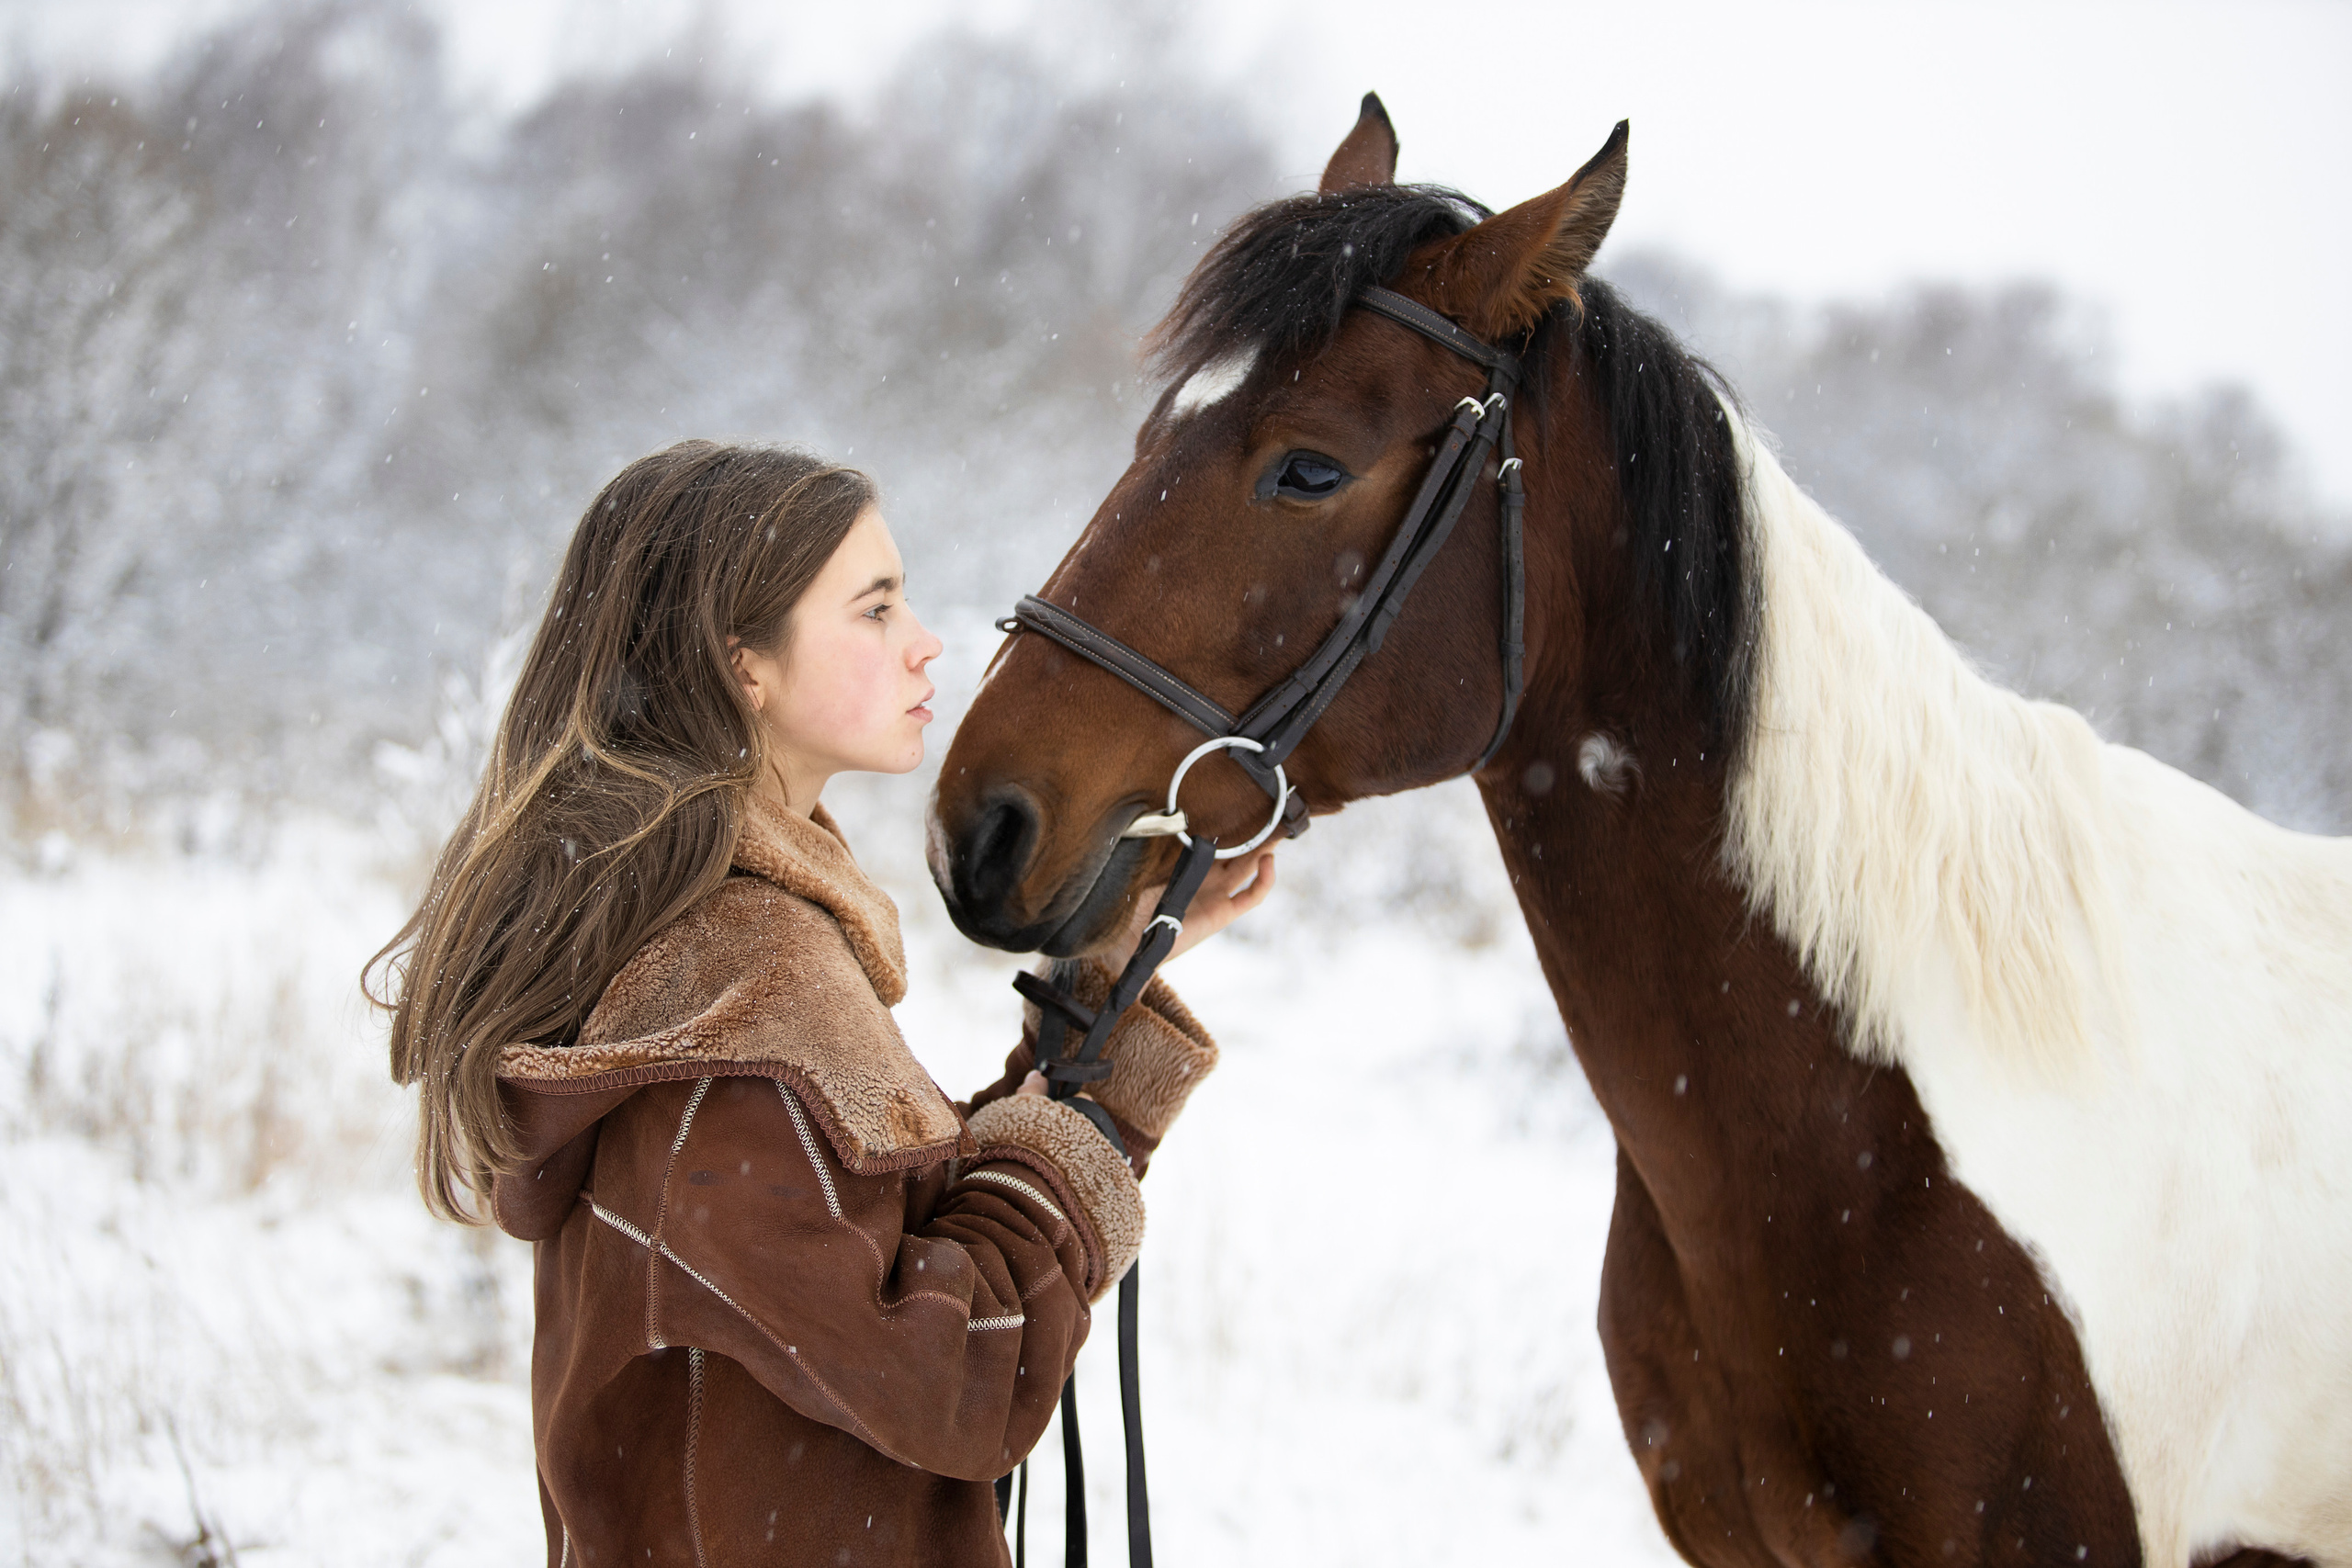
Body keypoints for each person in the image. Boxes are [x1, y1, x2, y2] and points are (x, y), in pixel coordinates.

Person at [368, 440, 1274, 1565]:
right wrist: (1068, 1154)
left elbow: (891, 1246)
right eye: (876, 608)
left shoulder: (702, 949)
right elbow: (954, 1378)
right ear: (741, 663)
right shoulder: (736, 998)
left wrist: (1107, 991)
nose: (926, 641)